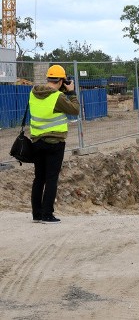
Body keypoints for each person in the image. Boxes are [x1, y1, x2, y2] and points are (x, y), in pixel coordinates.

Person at [29, 64, 80, 224]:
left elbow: (48, 103)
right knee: (51, 179)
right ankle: (47, 215)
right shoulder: (57, 97)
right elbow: (75, 109)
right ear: (61, 80)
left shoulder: (34, 93)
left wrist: (63, 90)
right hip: (54, 143)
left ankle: (37, 214)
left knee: (39, 178)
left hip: (36, 141)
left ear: (48, 78)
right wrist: (71, 91)